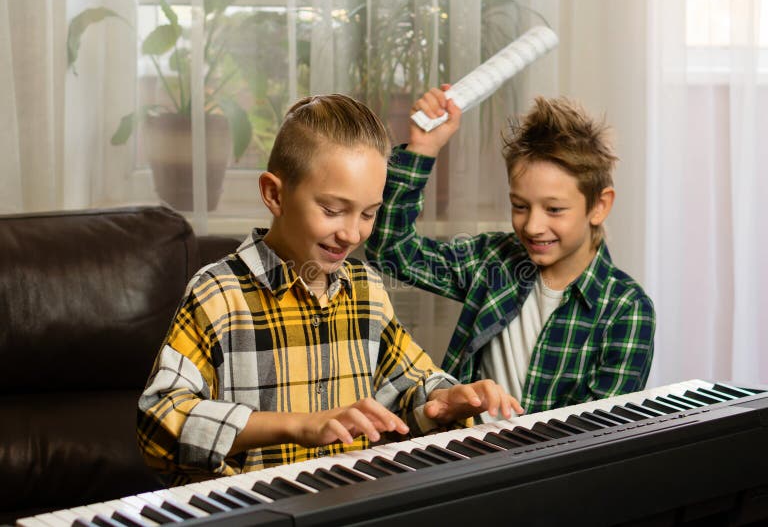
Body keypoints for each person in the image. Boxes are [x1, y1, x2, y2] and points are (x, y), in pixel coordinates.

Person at [137, 93, 522, 486]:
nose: (352, 233)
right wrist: (297, 427)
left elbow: (411, 386)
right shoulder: (218, 294)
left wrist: (443, 401)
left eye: (369, 213)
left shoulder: (365, 291)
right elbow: (159, 422)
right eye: (333, 210)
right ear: (275, 194)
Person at [365, 86, 655, 420]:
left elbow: (599, 437)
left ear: (599, 206)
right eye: (519, 206)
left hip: (546, 469)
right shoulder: (494, 260)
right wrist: (422, 149)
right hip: (466, 452)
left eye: (554, 209)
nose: (533, 226)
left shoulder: (628, 311)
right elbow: (392, 251)